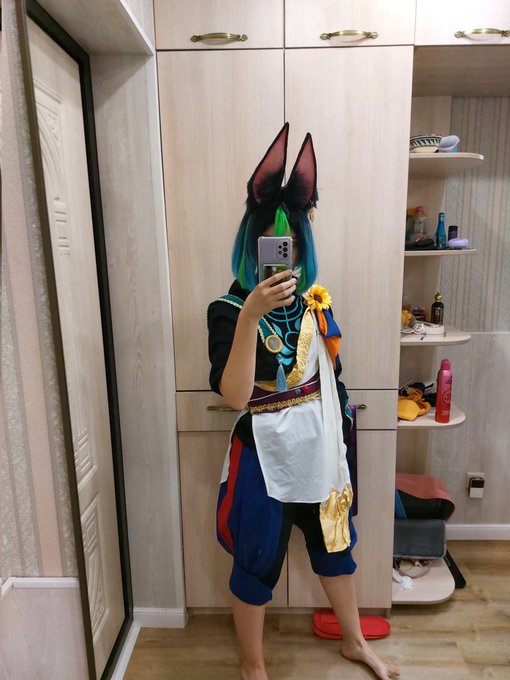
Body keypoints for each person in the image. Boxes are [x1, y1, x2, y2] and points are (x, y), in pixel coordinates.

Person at [207, 124, 399, 680]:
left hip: (319, 445)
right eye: (271, 245)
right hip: (263, 453)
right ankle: (253, 666)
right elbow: (235, 396)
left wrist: (341, 439)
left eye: (289, 245)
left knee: (335, 545)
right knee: (256, 558)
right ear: (252, 245)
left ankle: (354, 642)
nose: (281, 256)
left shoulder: (316, 301)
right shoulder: (227, 309)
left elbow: (332, 375)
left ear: (301, 247)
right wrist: (250, 315)